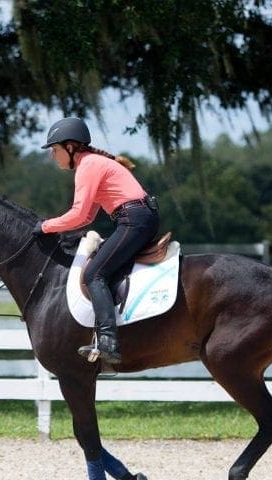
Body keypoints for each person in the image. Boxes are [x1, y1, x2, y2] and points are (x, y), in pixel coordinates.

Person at [34, 116, 160, 365]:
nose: (53, 156)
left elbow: (78, 214)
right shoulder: (93, 164)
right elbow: (87, 216)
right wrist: (56, 228)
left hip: (133, 220)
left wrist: (45, 226)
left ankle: (107, 341)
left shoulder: (88, 166)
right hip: (137, 218)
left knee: (94, 274)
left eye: (55, 150)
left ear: (71, 147)